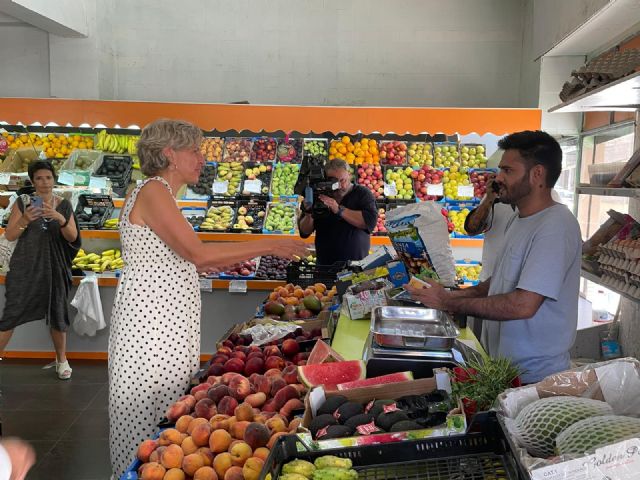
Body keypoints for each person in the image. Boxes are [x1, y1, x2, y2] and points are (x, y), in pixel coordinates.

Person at [109, 119, 309, 478]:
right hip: (152, 327)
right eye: (195, 151)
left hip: (162, 321)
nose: (202, 159)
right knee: (151, 416)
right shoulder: (154, 190)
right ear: (169, 154)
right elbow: (198, 254)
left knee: (166, 412)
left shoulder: (160, 194)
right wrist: (271, 243)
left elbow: (180, 258)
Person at [406, 131, 581, 384]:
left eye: (508, 171)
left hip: (534, 377)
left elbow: (523, 304)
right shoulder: (518, 219)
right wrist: (449, 295)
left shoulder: (556, 226)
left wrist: (448, 302)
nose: (498, 178)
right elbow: (497, 283)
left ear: (537, 174)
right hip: (504, 367)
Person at [0, 161, 80, 380]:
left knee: (57, 311)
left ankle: (61, 360)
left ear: (54, 180)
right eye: (39, 178)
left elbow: (73, 237)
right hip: (26, 267)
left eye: (48, 178)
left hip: (55, 266)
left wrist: (60, 219)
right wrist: (26, 218)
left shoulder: (63, 205)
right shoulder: (22, 203)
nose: (44, 183)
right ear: (32, 181)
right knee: (13, 312)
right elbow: (10, 235)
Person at [297, 159, 377, 265]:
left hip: (356, 266)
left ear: (349, 175)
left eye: (343, 180)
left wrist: (338, 209)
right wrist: (308, 213)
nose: (340, 186)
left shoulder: (363, 194)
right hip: (325, 267)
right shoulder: (319, 194)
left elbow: (369, 222)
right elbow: (304, 232)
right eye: (334, 182)